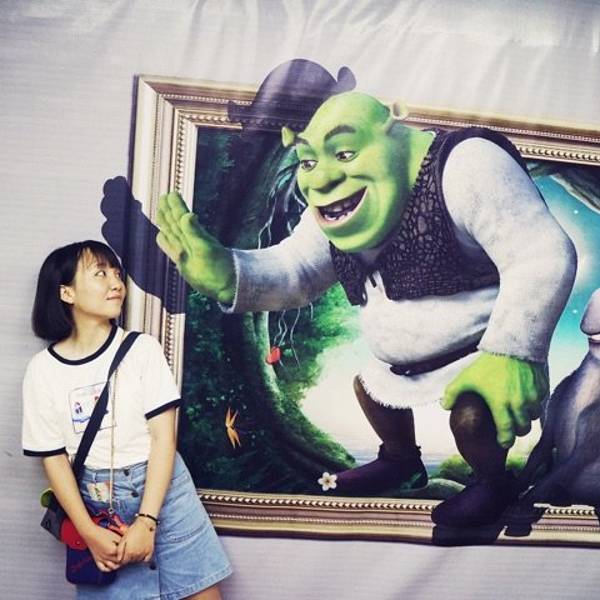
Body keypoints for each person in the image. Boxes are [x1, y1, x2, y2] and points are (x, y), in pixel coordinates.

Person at [155, 91, 576, 528]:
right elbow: (298, 269)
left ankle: (493, 484)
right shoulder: (335, 207)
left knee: (472, 420)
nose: (321, 178)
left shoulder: (466, 165)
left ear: (392, 132)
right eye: (308, 161)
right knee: (370, 391)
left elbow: (541, 252)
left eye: (344, 152)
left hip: (477, 358)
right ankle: (400, 461)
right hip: (398, 368)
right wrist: (231, 273)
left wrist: (512, 352)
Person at [22, 241, 232, 599]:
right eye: (100, 274)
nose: (116, 283)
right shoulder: (42, 370)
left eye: (117, 274)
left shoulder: (142, 349)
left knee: (202, 593)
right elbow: (53, 459)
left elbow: (164, 439)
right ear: (66, 292)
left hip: (165, 493)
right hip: (97, 503)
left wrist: (147, 521)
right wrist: (89, 532)